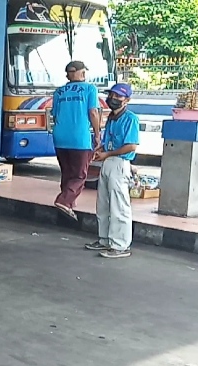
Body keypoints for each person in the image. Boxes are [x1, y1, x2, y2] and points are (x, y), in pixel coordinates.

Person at [85, 83, 139, 259]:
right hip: (108, 162)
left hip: (119, 162)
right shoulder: (111, 118)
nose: (113, 99)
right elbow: (108, 141)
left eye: (118, 96)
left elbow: (131, 145)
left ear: (127, 100)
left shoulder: (130, 119)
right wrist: (100, 149)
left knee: (119, 206)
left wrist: (108, 153)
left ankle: (120, 245)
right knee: (103, 203)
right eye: (112, 95)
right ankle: (105, 239)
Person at [51, 61, 102, 220]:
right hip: (79, 137)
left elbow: (55, 114)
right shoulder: (89, 89)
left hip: (59, 136)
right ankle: (64, 201)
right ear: (82, 73)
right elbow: (93, 112)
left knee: (67, 172)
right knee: (80, 175)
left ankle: (69, 204)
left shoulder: (59, 92)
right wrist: (97, 134)